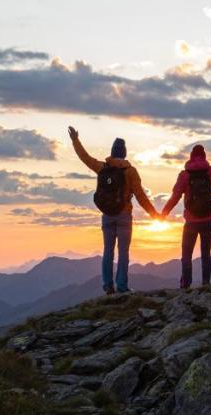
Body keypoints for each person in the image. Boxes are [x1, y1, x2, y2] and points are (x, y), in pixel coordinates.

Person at [68, 126, 158, 294]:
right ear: (124, 153)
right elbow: (140, 196)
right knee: (123, 251)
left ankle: (108, 286)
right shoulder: (130, 171)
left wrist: (75, 140)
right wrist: (154, 214)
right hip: (124, 215)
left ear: (112, 151)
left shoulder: (102, 168)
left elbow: (84, 157)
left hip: (107, 215)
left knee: (107, 250)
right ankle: (122, 286)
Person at [160, 125, 211, 289]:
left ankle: (186, 285)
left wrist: (163, 213)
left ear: (190, 157)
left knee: (186, 255)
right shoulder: (210, 172)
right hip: (208, 220)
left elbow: (175, 196)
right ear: (204, 157)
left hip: (191, 221)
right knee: (206, 254)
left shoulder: (184, 175)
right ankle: (206, 283)